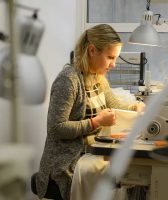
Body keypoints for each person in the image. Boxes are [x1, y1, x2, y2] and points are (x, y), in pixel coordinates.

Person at [36, 24, 145, 200]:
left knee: (129, 172)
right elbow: (56, 128)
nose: (113, 64)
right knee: (122, 177)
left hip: (89, 153)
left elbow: (114, 103)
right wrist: (96, 122)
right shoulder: (68, 80)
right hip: (66, 162)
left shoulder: (97, 77)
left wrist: (135, 107)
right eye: (110, 57)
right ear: (92, 50)